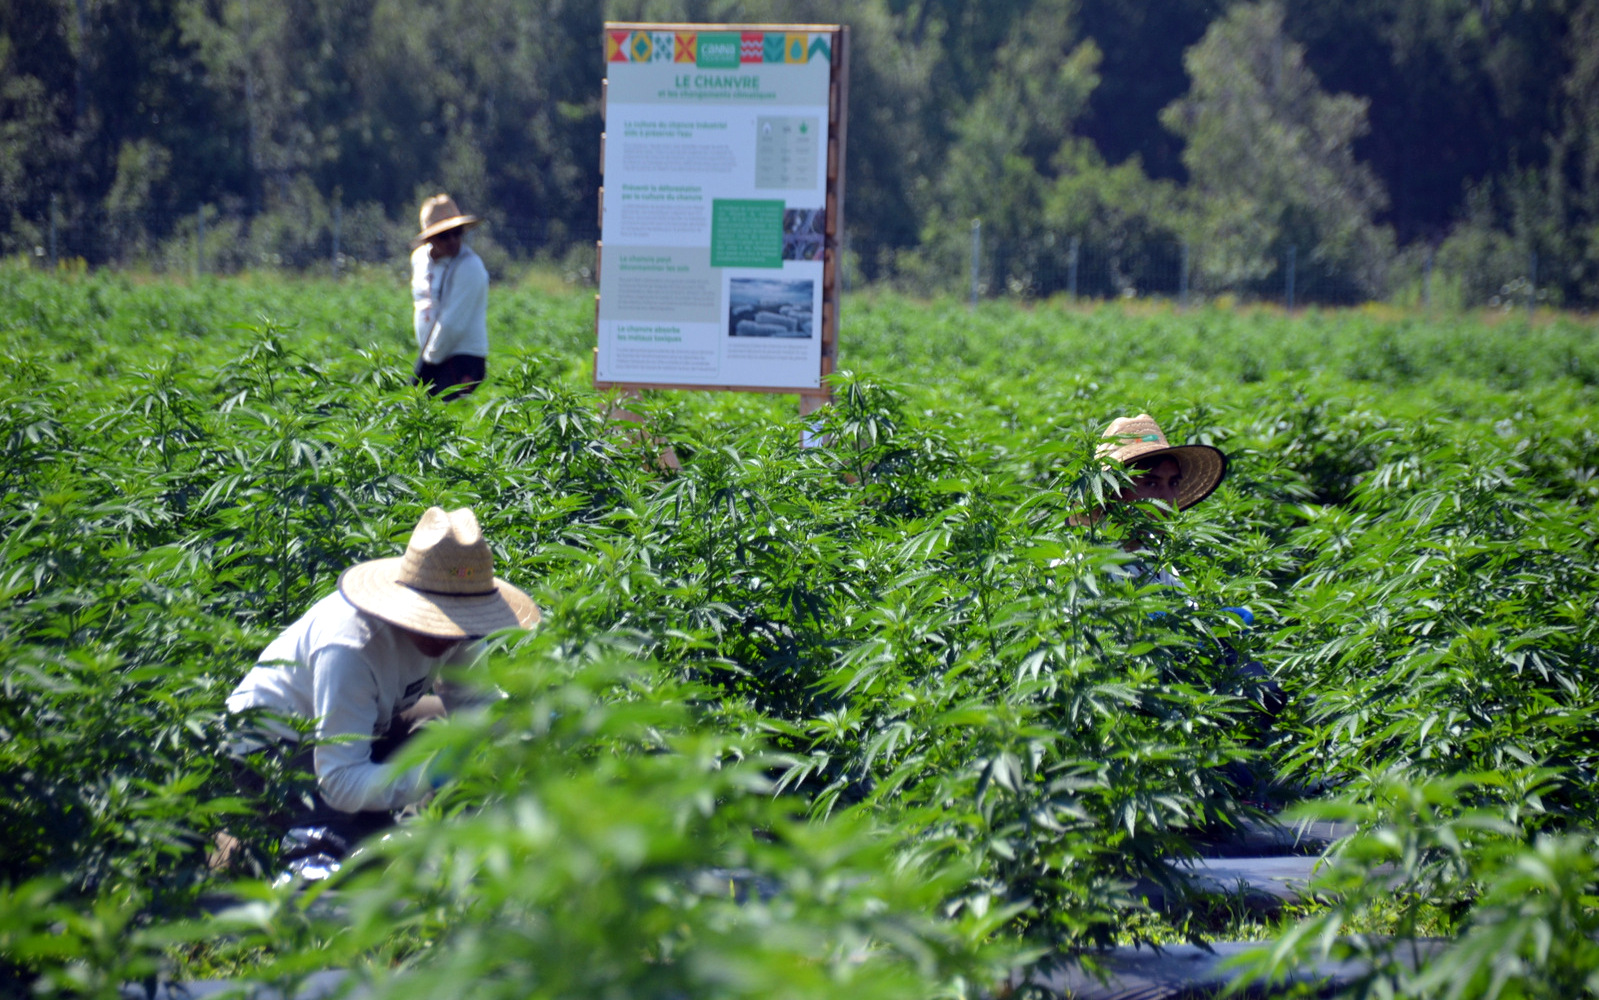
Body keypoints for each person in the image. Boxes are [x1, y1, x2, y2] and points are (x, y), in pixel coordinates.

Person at [226, 506, 538, 869]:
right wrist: (432, 773)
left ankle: (424, 829)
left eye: (459, 624)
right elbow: (340, 782)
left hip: (363, 724)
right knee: (343, 851)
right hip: (274, 745)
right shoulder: (351, 646)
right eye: (436, 621)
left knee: (446, 730)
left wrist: (526, 728)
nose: (448, 637)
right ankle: (238, 852)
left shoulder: (459, 625)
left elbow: (474, 702)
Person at [411, 194, 490, 399]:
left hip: (462, 359)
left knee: (448, 421)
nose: (453, 240)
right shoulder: (419, 260)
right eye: (444, 235)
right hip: (433, 354)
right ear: (429, 238)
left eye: (457, 233)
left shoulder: (470, 267)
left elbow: (452, 325)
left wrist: (425, 366)